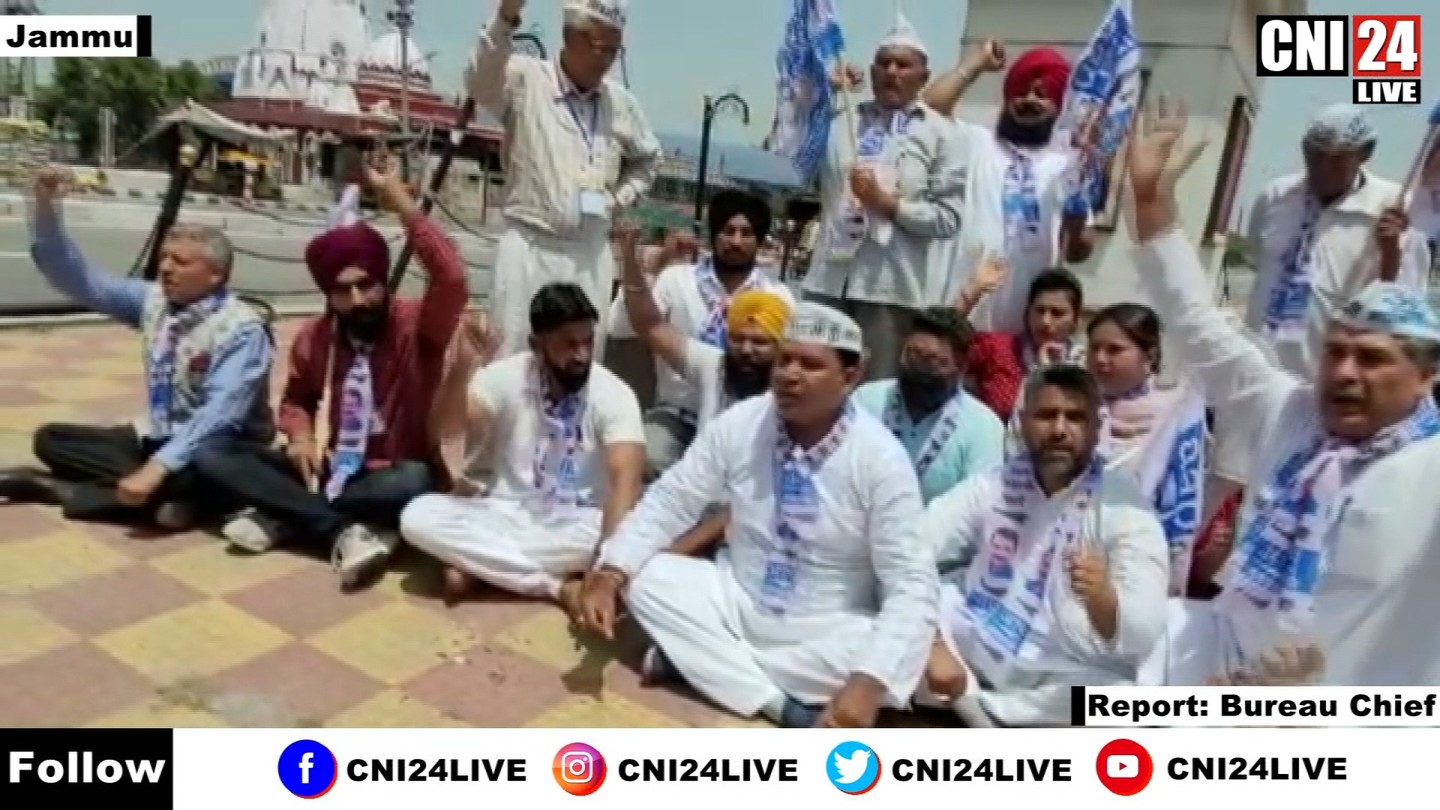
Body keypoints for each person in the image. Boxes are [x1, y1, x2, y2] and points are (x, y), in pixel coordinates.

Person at [1128, 95, 1440, 686]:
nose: (1345, 372)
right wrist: (1150, 202)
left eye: (1372, 359)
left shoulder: (1427, 471)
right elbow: (1198, 322)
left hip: (1357, 703)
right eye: (1337, 353)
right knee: (1095, 656)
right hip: (1230, 650)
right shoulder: (1293, 412)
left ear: (1427, 377)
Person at [576, 303, 939, 728]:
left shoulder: (881, 459)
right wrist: (611, 572)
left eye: (810, 365)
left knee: (888, 658)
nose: (789, 374)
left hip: (822, 629)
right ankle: (778, 704)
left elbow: (912, 582)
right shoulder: (743, 423)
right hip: (737, 599)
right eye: (785, 359)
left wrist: (868, 683)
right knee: (645, 578)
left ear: (851, 376)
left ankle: (700, 663)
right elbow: (673, 499)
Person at [190, 153, 469, 589]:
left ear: (383, 281)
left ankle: (289, 515)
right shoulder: (315, 337)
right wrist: (300, 436)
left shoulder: (417, 325)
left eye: (366, 284)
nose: (357, 300)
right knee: (210, 452)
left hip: (391, 473)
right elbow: (298, 399)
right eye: (342, 289)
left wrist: (398, 199)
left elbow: (451, 277)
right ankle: (341, 528)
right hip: (332, 469)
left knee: (413, 482)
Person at [0, 167, 273, 528]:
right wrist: (46, 206)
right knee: (51, 440)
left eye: (181, 262)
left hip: (219, 448)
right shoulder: (153, 301)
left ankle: (58, 490)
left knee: (199, 468)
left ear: (215, 275)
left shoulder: (241, 328)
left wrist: (157, 468)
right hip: (159, 434)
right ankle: (168, 498)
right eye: (164, 258)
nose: (166, 269)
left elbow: (218, 416)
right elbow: (78, 279)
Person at [917, 365, 1169, 726]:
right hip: (975, 635)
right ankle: (981, 707)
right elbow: (913, 547)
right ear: (1023, 421)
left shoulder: (1125, 508)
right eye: (1047, 415)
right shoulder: (994, 484)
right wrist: (935, 644)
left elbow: (1144, 633)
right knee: (893, 618)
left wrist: (1103, 599)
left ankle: (978, 708)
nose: (1059, 430)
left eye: (1076, 418)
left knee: (1123, 702)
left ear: (1097, 428)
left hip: (1058, 669)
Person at [1222, 103, 1432, 510]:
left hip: (1321, 387)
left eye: (1336, 158)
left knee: (1294, 495)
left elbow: (1400, 314)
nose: (1321, 166)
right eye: (1312, 153)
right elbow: (1254, 265)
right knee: (1233, 485)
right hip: (1257, 370)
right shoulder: (1276, 197)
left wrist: (1391, 251)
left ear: (1364, 154)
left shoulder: (1394, 209)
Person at [400, 283, 646, 613]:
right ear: (536, 345)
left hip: (578, 523)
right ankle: (555, 587)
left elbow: (625, 484)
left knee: (624, 535)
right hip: (507, 511)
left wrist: (604, 571)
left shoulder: (614, 394)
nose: (582, 355)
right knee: (416, 516)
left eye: (588, 341)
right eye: (569, 344)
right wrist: (460, 370)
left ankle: (478, 565)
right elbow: (445, 433)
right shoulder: (510, 375)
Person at [468, 0, 662, 357]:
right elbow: (479, 83)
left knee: (580, 363)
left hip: (590, 252)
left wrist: (620, 199)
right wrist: (505, 17)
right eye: (601, 47)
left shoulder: (620, 104)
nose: (607, 60)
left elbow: (648, 159)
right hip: (530, 246)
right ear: (571, 35)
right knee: (513, 361)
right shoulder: (525, 78)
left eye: (615, 50)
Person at [805, 13, 965, 380]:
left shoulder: (942, 135)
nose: (892, 71)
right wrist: (823, 93)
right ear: (872, 70)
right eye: (884, 63)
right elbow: (791, 150)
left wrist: (889, 205)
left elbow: (948, 219)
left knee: (871, 393)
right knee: (813, 380)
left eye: (903, 64)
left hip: (890, 288)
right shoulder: (843, 119)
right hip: (828, 279)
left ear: (923, 77)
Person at [610, 189, 793, 477]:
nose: (735, 241)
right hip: (675, 415)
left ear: (759, 241)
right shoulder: (677, 279)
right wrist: (649, 268)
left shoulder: (778, 298)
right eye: (727, 231)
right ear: (713, 236)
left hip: (745, 422)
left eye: (746, 233)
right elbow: (625, 326)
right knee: (646, 458)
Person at [922, 42, 1096, 334]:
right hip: (960, 313)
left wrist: (1076, 221)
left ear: (1058, 105)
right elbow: (928, 111)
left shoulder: (1066, 166)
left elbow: (1078, 251)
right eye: (1021, 91)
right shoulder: (977, 144)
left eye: (1042, 94)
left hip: (1027, 332)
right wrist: (975, 64)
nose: (1029, 99)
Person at [1085, 304, 1207, 594]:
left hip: (1133, 560)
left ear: (1149, 356)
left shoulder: (1174, 414)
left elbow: (1180, 503)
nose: (1100, 359)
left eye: (1115, 350)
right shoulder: (1074, 405)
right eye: (1094, 348)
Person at [853, 307, 1004, 503]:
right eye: (913, 355)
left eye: (934, 361)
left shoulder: (984, 426)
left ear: (961, 367)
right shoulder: (867, 400)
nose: (920, 369)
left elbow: (978, 506)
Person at [965, 268, 1085, 420]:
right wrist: (968, 296)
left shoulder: (1086, 365)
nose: (1045, 321)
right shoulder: (998, 349)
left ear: (1076, 320)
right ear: (1027, 313)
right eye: (1040, 311)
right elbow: (942, 351)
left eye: (1057, 313)